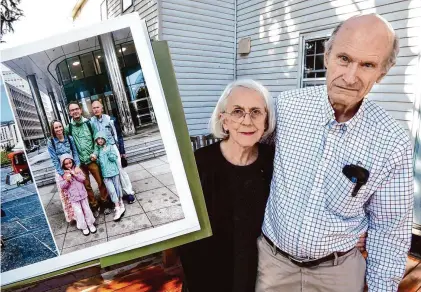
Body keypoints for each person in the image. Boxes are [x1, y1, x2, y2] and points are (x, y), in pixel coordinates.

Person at [256, 14, 414, 292]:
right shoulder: (286, 108)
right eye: (344, 58)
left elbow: (390, 230)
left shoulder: (393, 140)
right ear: (327, 56)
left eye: (367, 65)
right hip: (271, 265)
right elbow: (245, 157)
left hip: (339, 273)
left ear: (382, 73)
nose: (351, 76)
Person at [178, 80, 366, 292]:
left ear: (266, 122)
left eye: (256, 112)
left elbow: (310, 195)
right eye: (237, 111)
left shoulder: (274, 161)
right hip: (206, 276)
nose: (247, 121)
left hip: (260, 276)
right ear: (224, 120)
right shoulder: (197, 164)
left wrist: (354, 231)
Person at [66, 101, 111, 216]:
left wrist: (95, 153)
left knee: (101, 182)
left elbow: (97, 140)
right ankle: (94, 206)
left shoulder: (89, 123)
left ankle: (105, 203)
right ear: (70, 113)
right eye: (72, 110)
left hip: (92, 160)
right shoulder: (68, 128)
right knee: (86, 186)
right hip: (79, 163)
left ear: (80, 110)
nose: (75, 111)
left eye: (76, 109)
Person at [89, 100, 135, 204]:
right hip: (100, 150)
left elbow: (118, 136)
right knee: (107, 173)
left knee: (120, 170)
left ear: (102, 108)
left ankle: (129, 193)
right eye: (94, 108)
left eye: (97, 107)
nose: (96, 110)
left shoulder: (111, 119)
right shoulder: (91, 122)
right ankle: (115, 196)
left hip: (112, 147)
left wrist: (122, 151)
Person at [47, 120, 81, 223]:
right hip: (61, 172)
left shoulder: (69, 139)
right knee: (66, 196)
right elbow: (54, 159)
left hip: (72, 168)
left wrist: (77, 166)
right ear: (53, 130)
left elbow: (75, 152)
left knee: (77, 192)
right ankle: (73, 217)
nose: (58, 129)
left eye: (60, 126)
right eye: (56, 128)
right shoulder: (51, 142)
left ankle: (80, 213)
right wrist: (62, 174)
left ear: (63, 127)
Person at [57, 154, 96, 236]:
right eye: (66, 164)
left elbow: (83, 179)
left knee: (87, 209)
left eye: (70, 163)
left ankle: (90, 224)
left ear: (72, 162)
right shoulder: (62, 174)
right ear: (63, 165)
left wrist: (75, 174)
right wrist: (67, 180)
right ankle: (84, 227)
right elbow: (62, 186)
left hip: (82, 194)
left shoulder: (77, 169)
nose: (68, 165)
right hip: (73, 197)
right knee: (79, 212)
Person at [93, 132, 125, 221]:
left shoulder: (110, 146)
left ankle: (121, 202)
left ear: (104, 139)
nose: (100, 140)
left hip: (114, 172)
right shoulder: (98, 150)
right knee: (111, 191)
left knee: (117, 188)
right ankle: (117, 207)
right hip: (105, 175)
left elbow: (114, 158)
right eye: (98, 139)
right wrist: (96, 160)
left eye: (101, 138)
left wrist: (107, 152)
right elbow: (100, 163)